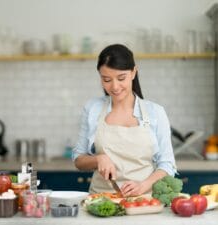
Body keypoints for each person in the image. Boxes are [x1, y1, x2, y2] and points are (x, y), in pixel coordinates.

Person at [72, 44, 177, 196]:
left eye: (121, 78)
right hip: (101, 202)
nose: (115, 87)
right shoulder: (93, 108)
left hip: (144, 203)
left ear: (133, 72)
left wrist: (143, 185)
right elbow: (78, 160)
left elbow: (167, 165)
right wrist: (98, 159)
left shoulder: (155, 112)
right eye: (106, 79)